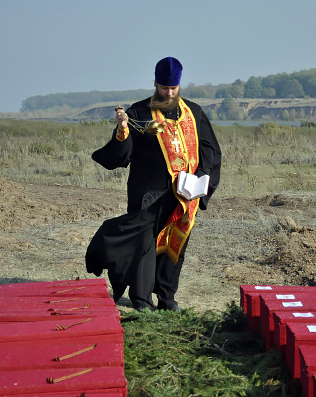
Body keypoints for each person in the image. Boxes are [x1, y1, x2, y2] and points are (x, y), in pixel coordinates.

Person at [85, 57, 221, 312]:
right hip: (148, 193)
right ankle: (142, 300)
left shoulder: (194, 112)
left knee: (175, 245)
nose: (168, 93)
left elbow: (210, 151)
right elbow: (123, 154)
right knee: (145, 246)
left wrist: (200, 180)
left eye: (173, 89)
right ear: (155, 83)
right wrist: (123, 130)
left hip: (183, 196)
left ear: (179, 86)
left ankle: (167, 299)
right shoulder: (138, 112)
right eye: (163, 88)